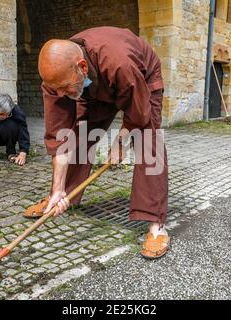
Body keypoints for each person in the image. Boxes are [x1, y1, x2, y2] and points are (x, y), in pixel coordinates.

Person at [24, 26, 170, 259]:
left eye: (63, 88)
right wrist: (57, 188)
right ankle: (63, 197)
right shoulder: (56, 79)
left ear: (81, 68)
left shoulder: (119, 63)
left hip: (141, 80)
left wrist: (120, 142)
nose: (60, 94)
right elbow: (60, 136)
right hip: (94, 84)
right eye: (56, 89)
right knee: (81, 132)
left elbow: (139, 113)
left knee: (147, 139)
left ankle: (156, 224)